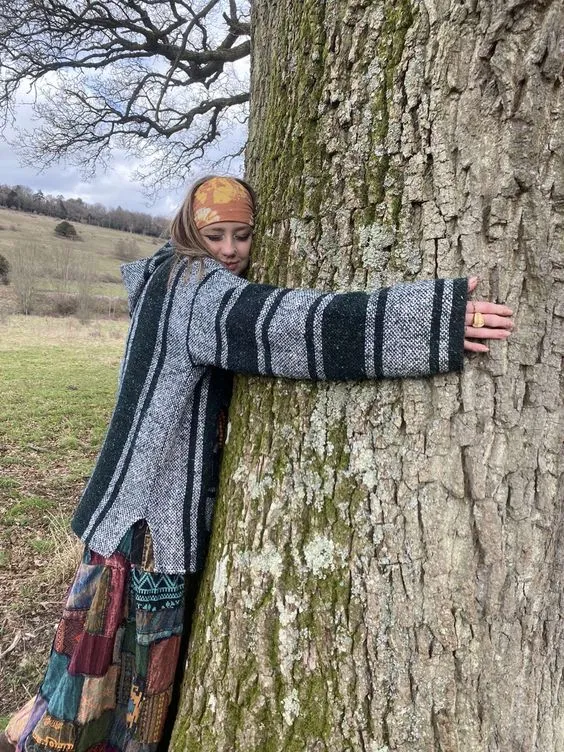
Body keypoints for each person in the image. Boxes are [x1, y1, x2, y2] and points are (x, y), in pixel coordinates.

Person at [1, 175, 513, 752]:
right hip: (148, 528)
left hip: (122, 509)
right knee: (120, 695)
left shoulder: (164, 275)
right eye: (214, 234)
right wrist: (433, 321)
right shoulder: (197, 288)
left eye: (241, 236)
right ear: (189, 230)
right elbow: (296, 328)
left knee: (84, 674)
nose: (229, 250)